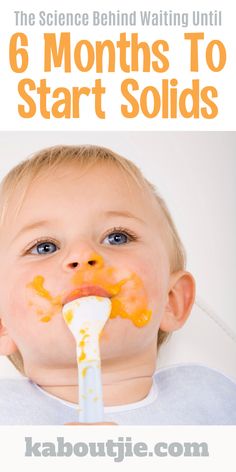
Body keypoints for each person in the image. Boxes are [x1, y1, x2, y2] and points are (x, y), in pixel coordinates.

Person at [0, 144, 235, 425]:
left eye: (117, 237)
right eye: (45, 247)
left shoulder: (212, 401)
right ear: (2, 323)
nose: (82, 255)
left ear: (171, 300)